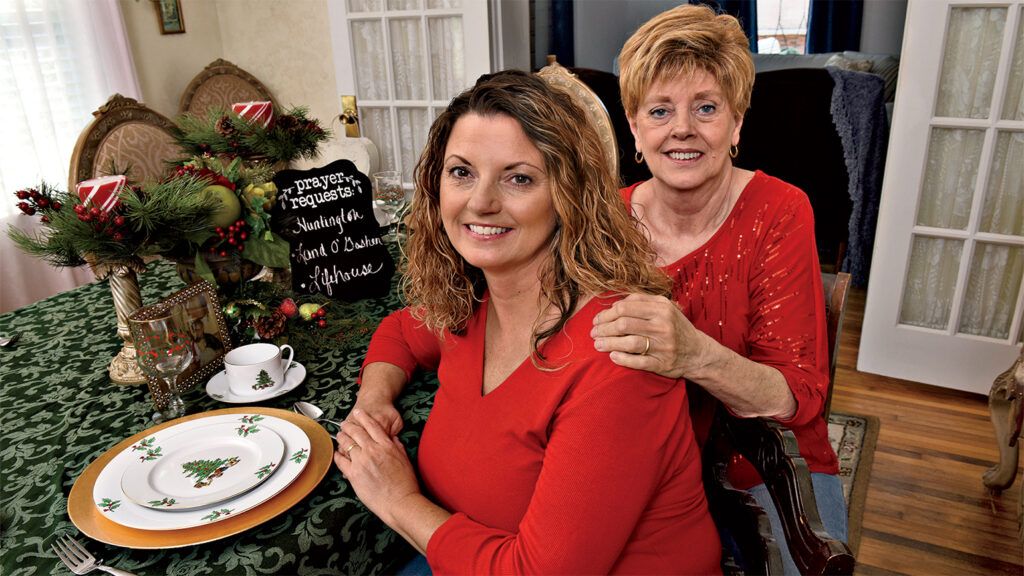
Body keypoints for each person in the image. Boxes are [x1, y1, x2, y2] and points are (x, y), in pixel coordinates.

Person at [334, 70, 721, 574]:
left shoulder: (618, 354)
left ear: (568, 198)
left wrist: (395, 498)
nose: (480, 202)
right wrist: (373, 399)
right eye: (461, 172)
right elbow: (401, 332)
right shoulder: (469, 302)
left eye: (519, 178)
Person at [588, 4, 846, 574]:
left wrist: (692, 354)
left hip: (769, 464)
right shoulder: (608, 219)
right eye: (660, 110)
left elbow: (794, 397)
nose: (683, 129)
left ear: (736, 124)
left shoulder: (780, 211)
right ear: (634, 128)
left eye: (706, 108)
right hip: (646, 460)